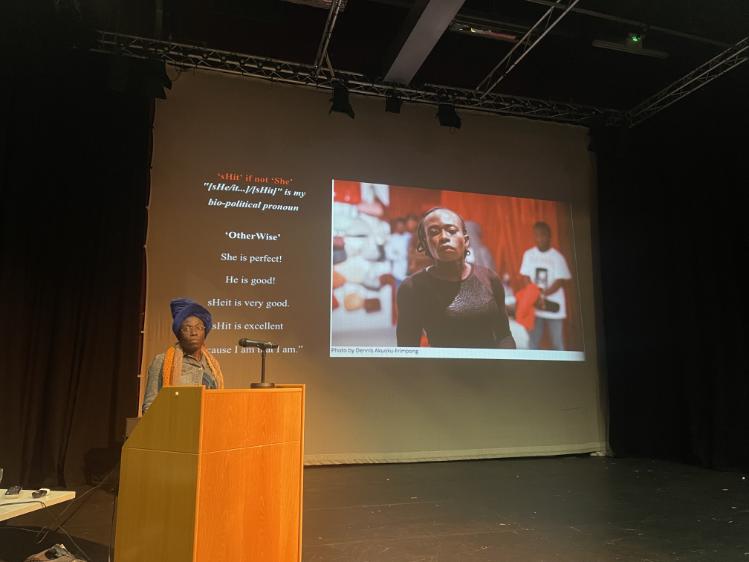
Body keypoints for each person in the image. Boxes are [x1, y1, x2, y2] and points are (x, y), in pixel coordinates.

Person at [396, 208, 516, 349]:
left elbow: (504, 335)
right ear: (425, 244)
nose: (444, 237)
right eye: (434, 232)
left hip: (491, 369)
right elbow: (407, 350)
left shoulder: (489, 278)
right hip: (442, 370)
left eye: (451, 230)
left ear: (466, 241)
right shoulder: (413, 287)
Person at [142, 298, 225, 413]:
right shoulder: (162, 361)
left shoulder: (212, 366)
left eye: (199, 327)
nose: (194, 333)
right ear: (178, 332)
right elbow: (149, 407)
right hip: (175, 426)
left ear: (205, 331)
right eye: (187, 328)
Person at [519, 221, 572, 350]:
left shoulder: (557, 257)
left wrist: (543, 294)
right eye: (537, 235)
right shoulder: (529, 254)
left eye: (543, 235)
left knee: (557, 342)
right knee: (533, 341)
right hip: (535, 304)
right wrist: (534, 294)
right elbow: (525, 276)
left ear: (549, 236)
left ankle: (562, 367)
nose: (540, 238)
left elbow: (560, 281)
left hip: (553, 304)